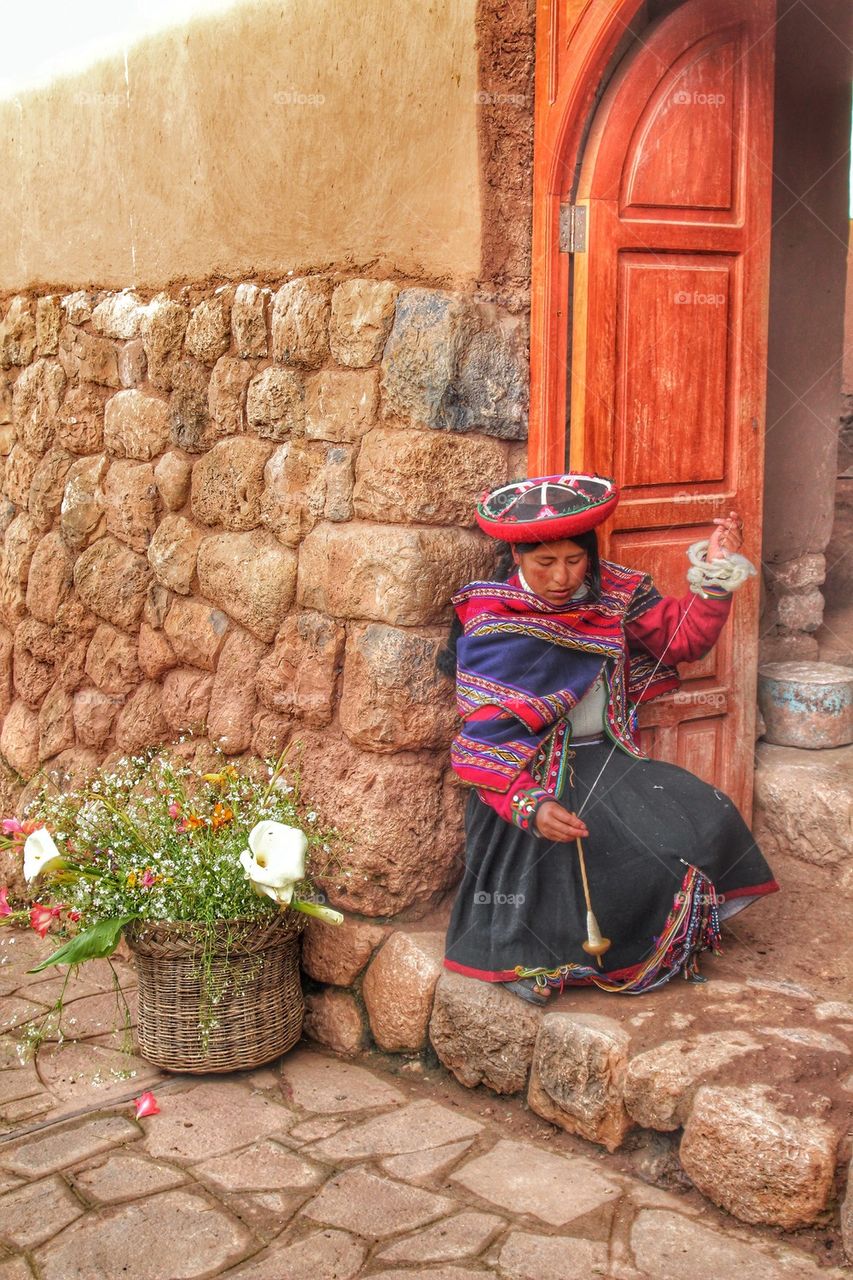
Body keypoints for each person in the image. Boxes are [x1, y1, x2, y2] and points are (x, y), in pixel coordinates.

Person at [439, 473, 779, 1005]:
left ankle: (651, 942)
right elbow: (485, 742)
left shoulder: (615, 593)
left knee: (702, 816)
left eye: (574, 561)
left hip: (607, 755)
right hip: (525, 771)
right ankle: (532, 960)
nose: (561, 577)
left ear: (590, 556)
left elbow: (684, 639)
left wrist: (712, 573)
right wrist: (529, 803)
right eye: (543, 563)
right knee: (550, 862)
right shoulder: (495, 622)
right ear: (517, 559)